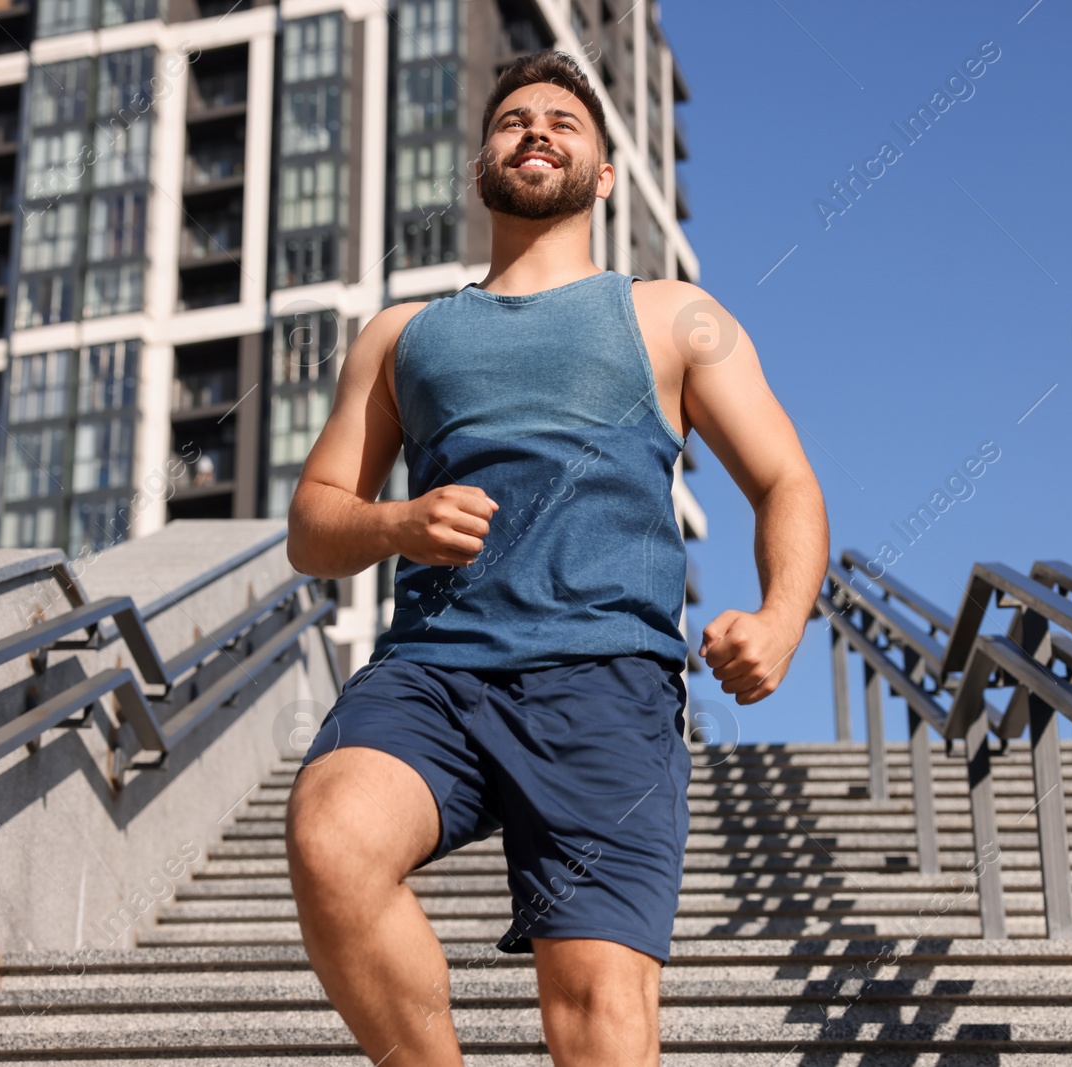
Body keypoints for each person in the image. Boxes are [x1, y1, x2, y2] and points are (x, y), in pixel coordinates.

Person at [283, 49, 828, 1067]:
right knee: (331, 839)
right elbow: (313, 524)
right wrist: (399, 524)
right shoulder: (402, 334)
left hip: (604, 682)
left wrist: (780, 616)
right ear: (482, 160)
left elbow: (785, 482)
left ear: (606, 175)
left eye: (563, 122)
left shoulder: (673, 313)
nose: (536, 130)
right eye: (513, 120)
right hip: (433, 670)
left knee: (597, 1016)